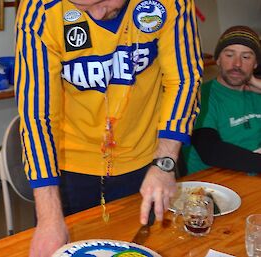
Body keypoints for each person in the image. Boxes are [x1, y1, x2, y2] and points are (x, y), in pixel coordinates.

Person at [14, 0, 203, 256]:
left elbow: (183, 79)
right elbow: (37, 115)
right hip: (68, 167)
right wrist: (48, 217)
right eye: (81, 5)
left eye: (103, 0)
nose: (97, 14)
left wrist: (165, 161)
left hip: (148, 162)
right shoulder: (40, 9)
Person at [183, 25, 261, 175]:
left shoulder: (256, 92)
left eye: (246, 57)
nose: (237, 64)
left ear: (255, 64)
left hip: (254, 178)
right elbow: (210, 150)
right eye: (229, 55)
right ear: (218, 59)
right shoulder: (200, 96)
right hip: (214, 183)